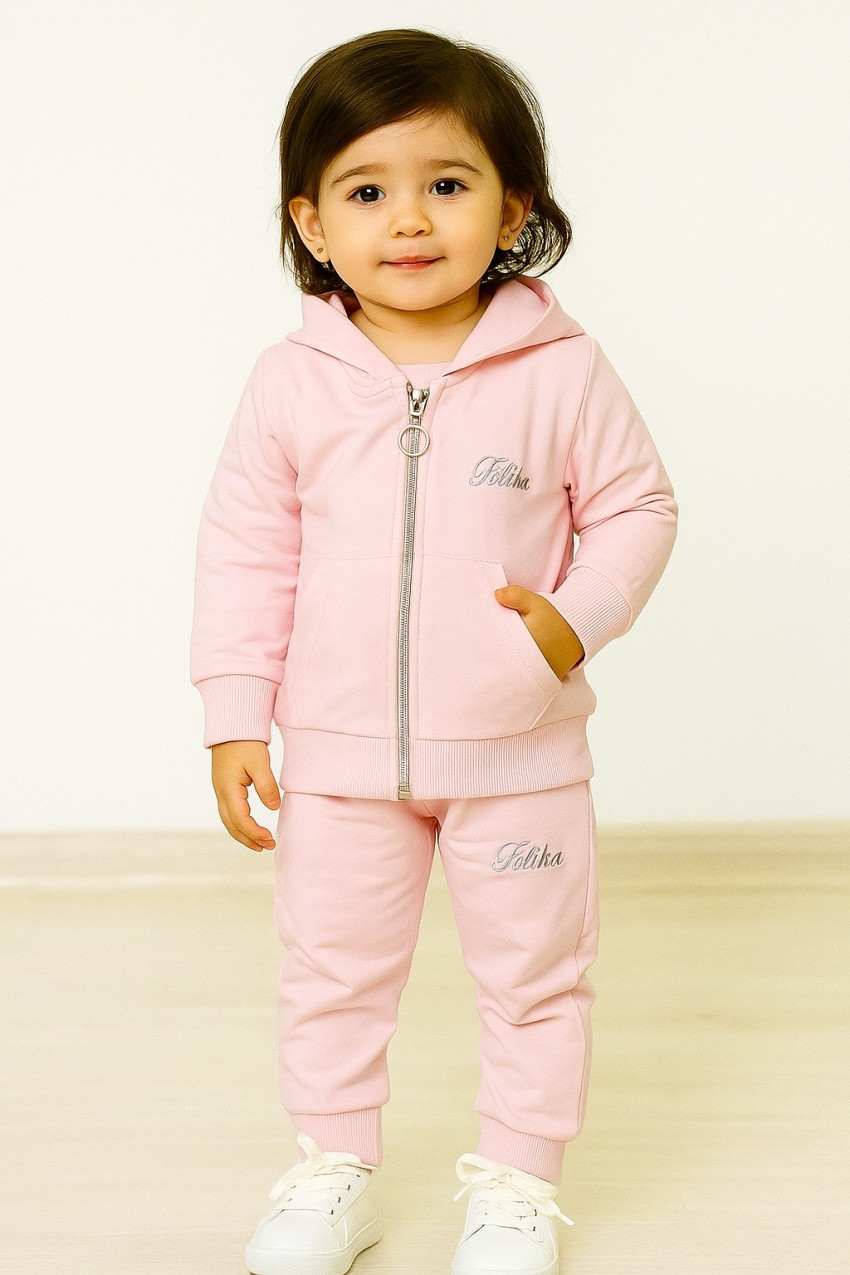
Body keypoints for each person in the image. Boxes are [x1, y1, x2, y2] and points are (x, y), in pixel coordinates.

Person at [190, 27, 677, 1275]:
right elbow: (245, 553)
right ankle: (332, 1170)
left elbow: (638, 506)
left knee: (534, 973)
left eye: (446, 184)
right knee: (331, 971)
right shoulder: (290, 384)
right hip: (340, 758)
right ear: (311, 223)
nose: (408, 220)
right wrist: (236, 711)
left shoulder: (561, 370)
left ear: (513, 207)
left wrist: (576, 615)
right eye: (366, 191)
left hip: (519, 753)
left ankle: (516, 1186)